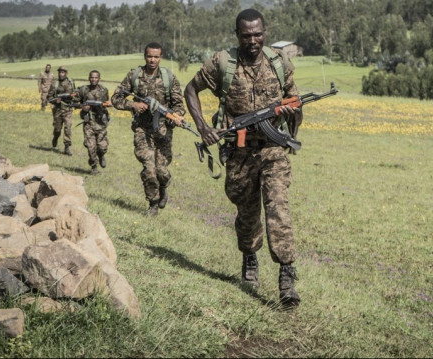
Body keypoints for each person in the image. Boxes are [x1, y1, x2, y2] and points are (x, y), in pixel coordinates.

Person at [184, 9, 302, 308]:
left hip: (273, 151)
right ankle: (250, 257)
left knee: (278, 209)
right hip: (239, 152)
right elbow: (191, 89)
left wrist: (291, 114)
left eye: (258, 34)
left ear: (266, 32)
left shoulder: (279, 63)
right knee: (247, 216)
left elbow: (296, 104)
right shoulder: (222, 62)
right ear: (237, 35)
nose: (253, 40)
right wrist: (203, 127)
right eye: (247, 35)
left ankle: (287, 277)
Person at [111, 42, 186, 216]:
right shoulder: (134, 76)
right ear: (145, 56)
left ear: (161, 57)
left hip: (163, 131)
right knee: (149, 169)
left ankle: (164, 186)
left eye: (156, 56)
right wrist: (133, 104)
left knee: (162, 171)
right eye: (149, 56)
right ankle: (152, 204)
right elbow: (116, 98)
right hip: (142, 130)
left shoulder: (169, 77)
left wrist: (176, 116)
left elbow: (179, 105)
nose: (152, 60)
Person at [76, 70, 110, 175]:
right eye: (92, 77)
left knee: (102, 147)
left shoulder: (104, 90)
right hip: (89, 122)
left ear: (99, 78)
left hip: (101, 123)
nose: (93, 79)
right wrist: (83, 107)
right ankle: (94, 167)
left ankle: (101, 155)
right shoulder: (84, 90)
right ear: (89, 78)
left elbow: (107, 102)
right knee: (91, 147)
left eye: (96, 77)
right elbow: (77, 102)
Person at [47, 66, 76, 156]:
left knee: (68, 128)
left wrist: (74, 99)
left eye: (63, 72)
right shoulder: (55, 84)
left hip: (68, 109)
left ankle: (67, 147)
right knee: (57, 129)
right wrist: (55, 100)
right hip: (57, 110)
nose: (61, 74)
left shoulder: (71, 82)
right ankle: (55, 137)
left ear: (66, 73)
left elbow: (76, 94)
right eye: (60, 72)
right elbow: (49, 97)